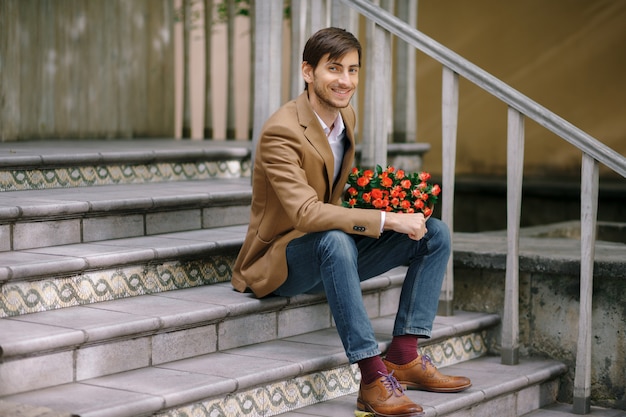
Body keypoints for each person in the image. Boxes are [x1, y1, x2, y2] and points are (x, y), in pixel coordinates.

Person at [232, 27, 471, 416]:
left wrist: (396, 208)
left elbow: (335, 195)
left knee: (434, 233)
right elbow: (306, 213)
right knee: (335, 241)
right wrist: (386, 218)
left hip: (329, 247)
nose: (345, 81)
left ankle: (404, 355)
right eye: (334, 69)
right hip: (280, 258)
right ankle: (372, 377)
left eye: (353, 70)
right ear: (308, 72)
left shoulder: (346, 116)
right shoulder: (281, 131)